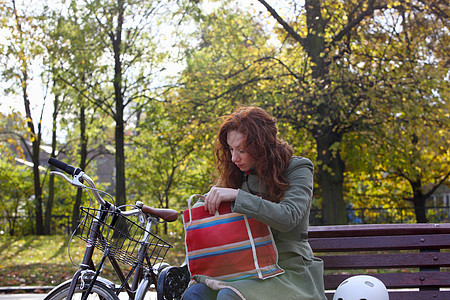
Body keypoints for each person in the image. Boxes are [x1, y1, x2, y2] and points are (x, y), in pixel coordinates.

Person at [182, 106, 326, 300]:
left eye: (241, 150)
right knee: (194, 294)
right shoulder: (236, 174)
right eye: (231, 149)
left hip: (287, 270)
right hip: (242, 268)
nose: (234, 158)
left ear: (262, 146)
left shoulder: (298, 168)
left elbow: (288, 217)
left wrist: (238, 196)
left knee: (229, 296)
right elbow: (207, 211)